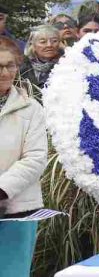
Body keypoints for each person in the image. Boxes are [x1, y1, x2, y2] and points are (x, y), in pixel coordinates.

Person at [0, 36, 47, 277]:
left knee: (11, 272)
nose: (6, 72)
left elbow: (36, 158)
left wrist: (1, 190)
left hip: (17, 209)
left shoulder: (31, 109)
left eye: (11, 65)